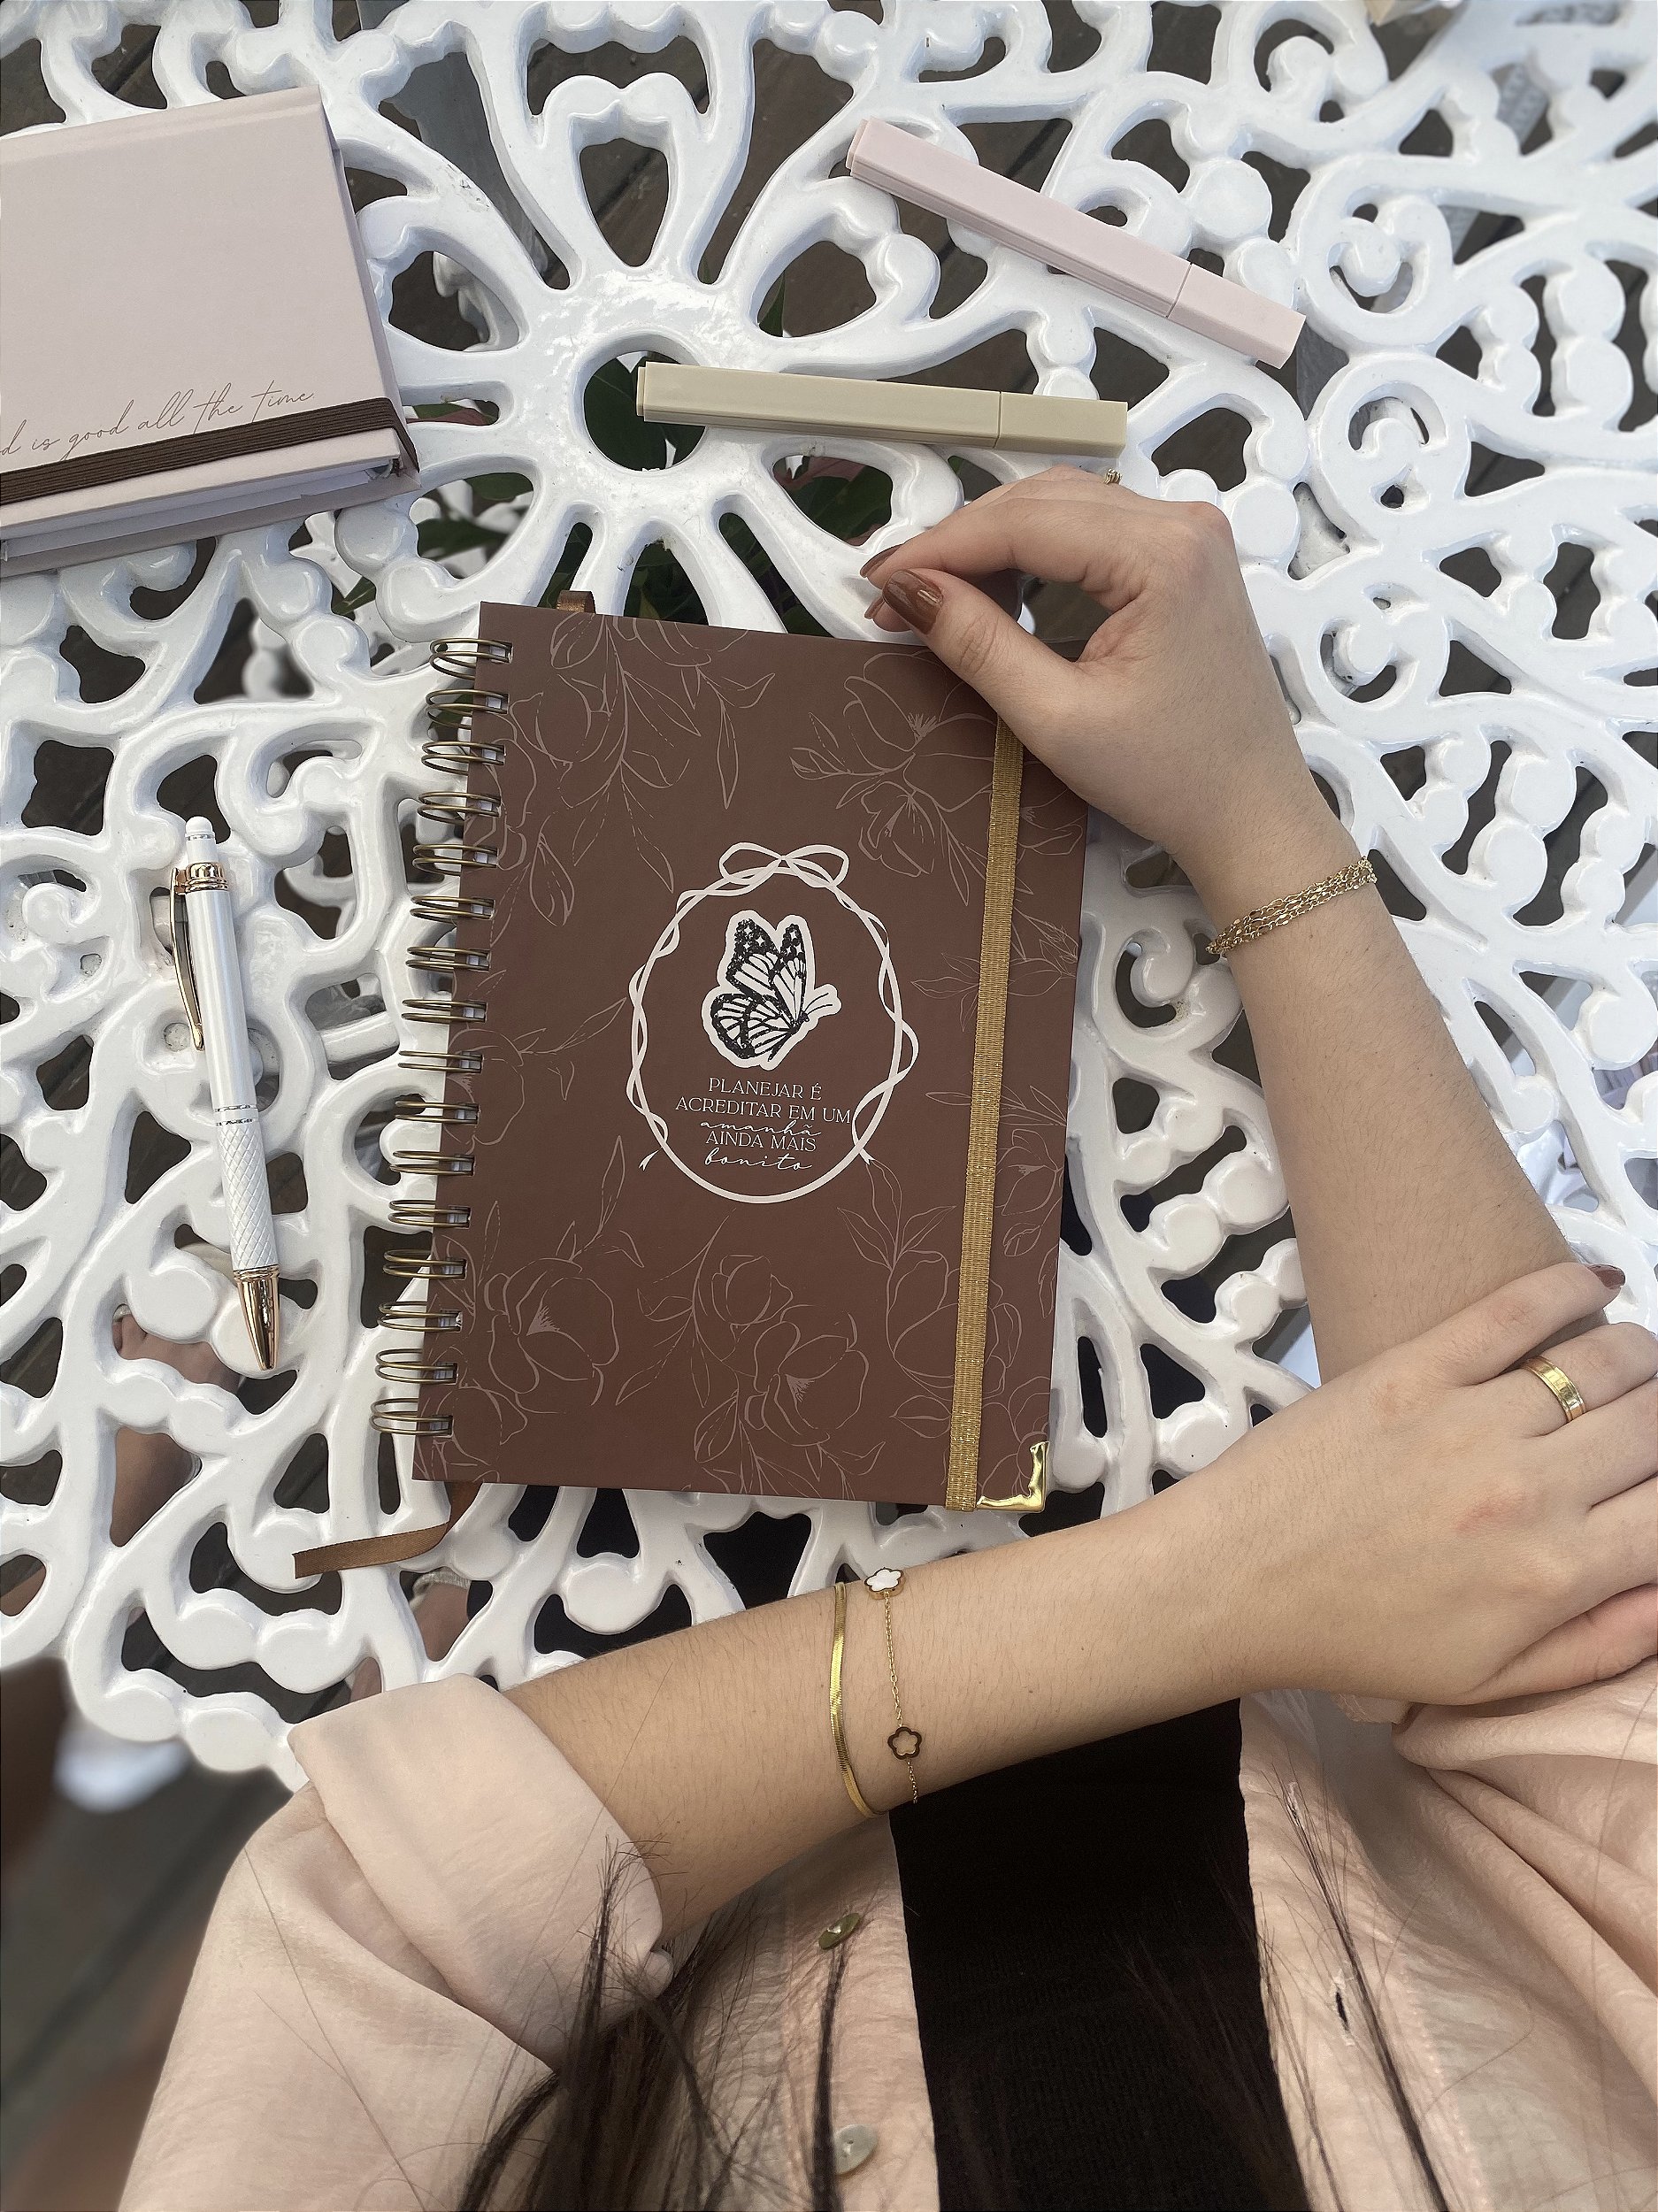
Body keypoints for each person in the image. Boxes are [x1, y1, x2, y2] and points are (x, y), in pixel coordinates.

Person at [121, 472, 1655, 2212]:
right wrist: (1251, 813)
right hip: (1245, 1461)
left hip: (643, 1631)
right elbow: (1556, 1563)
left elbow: (366, 1930)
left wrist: (1214, 1584)